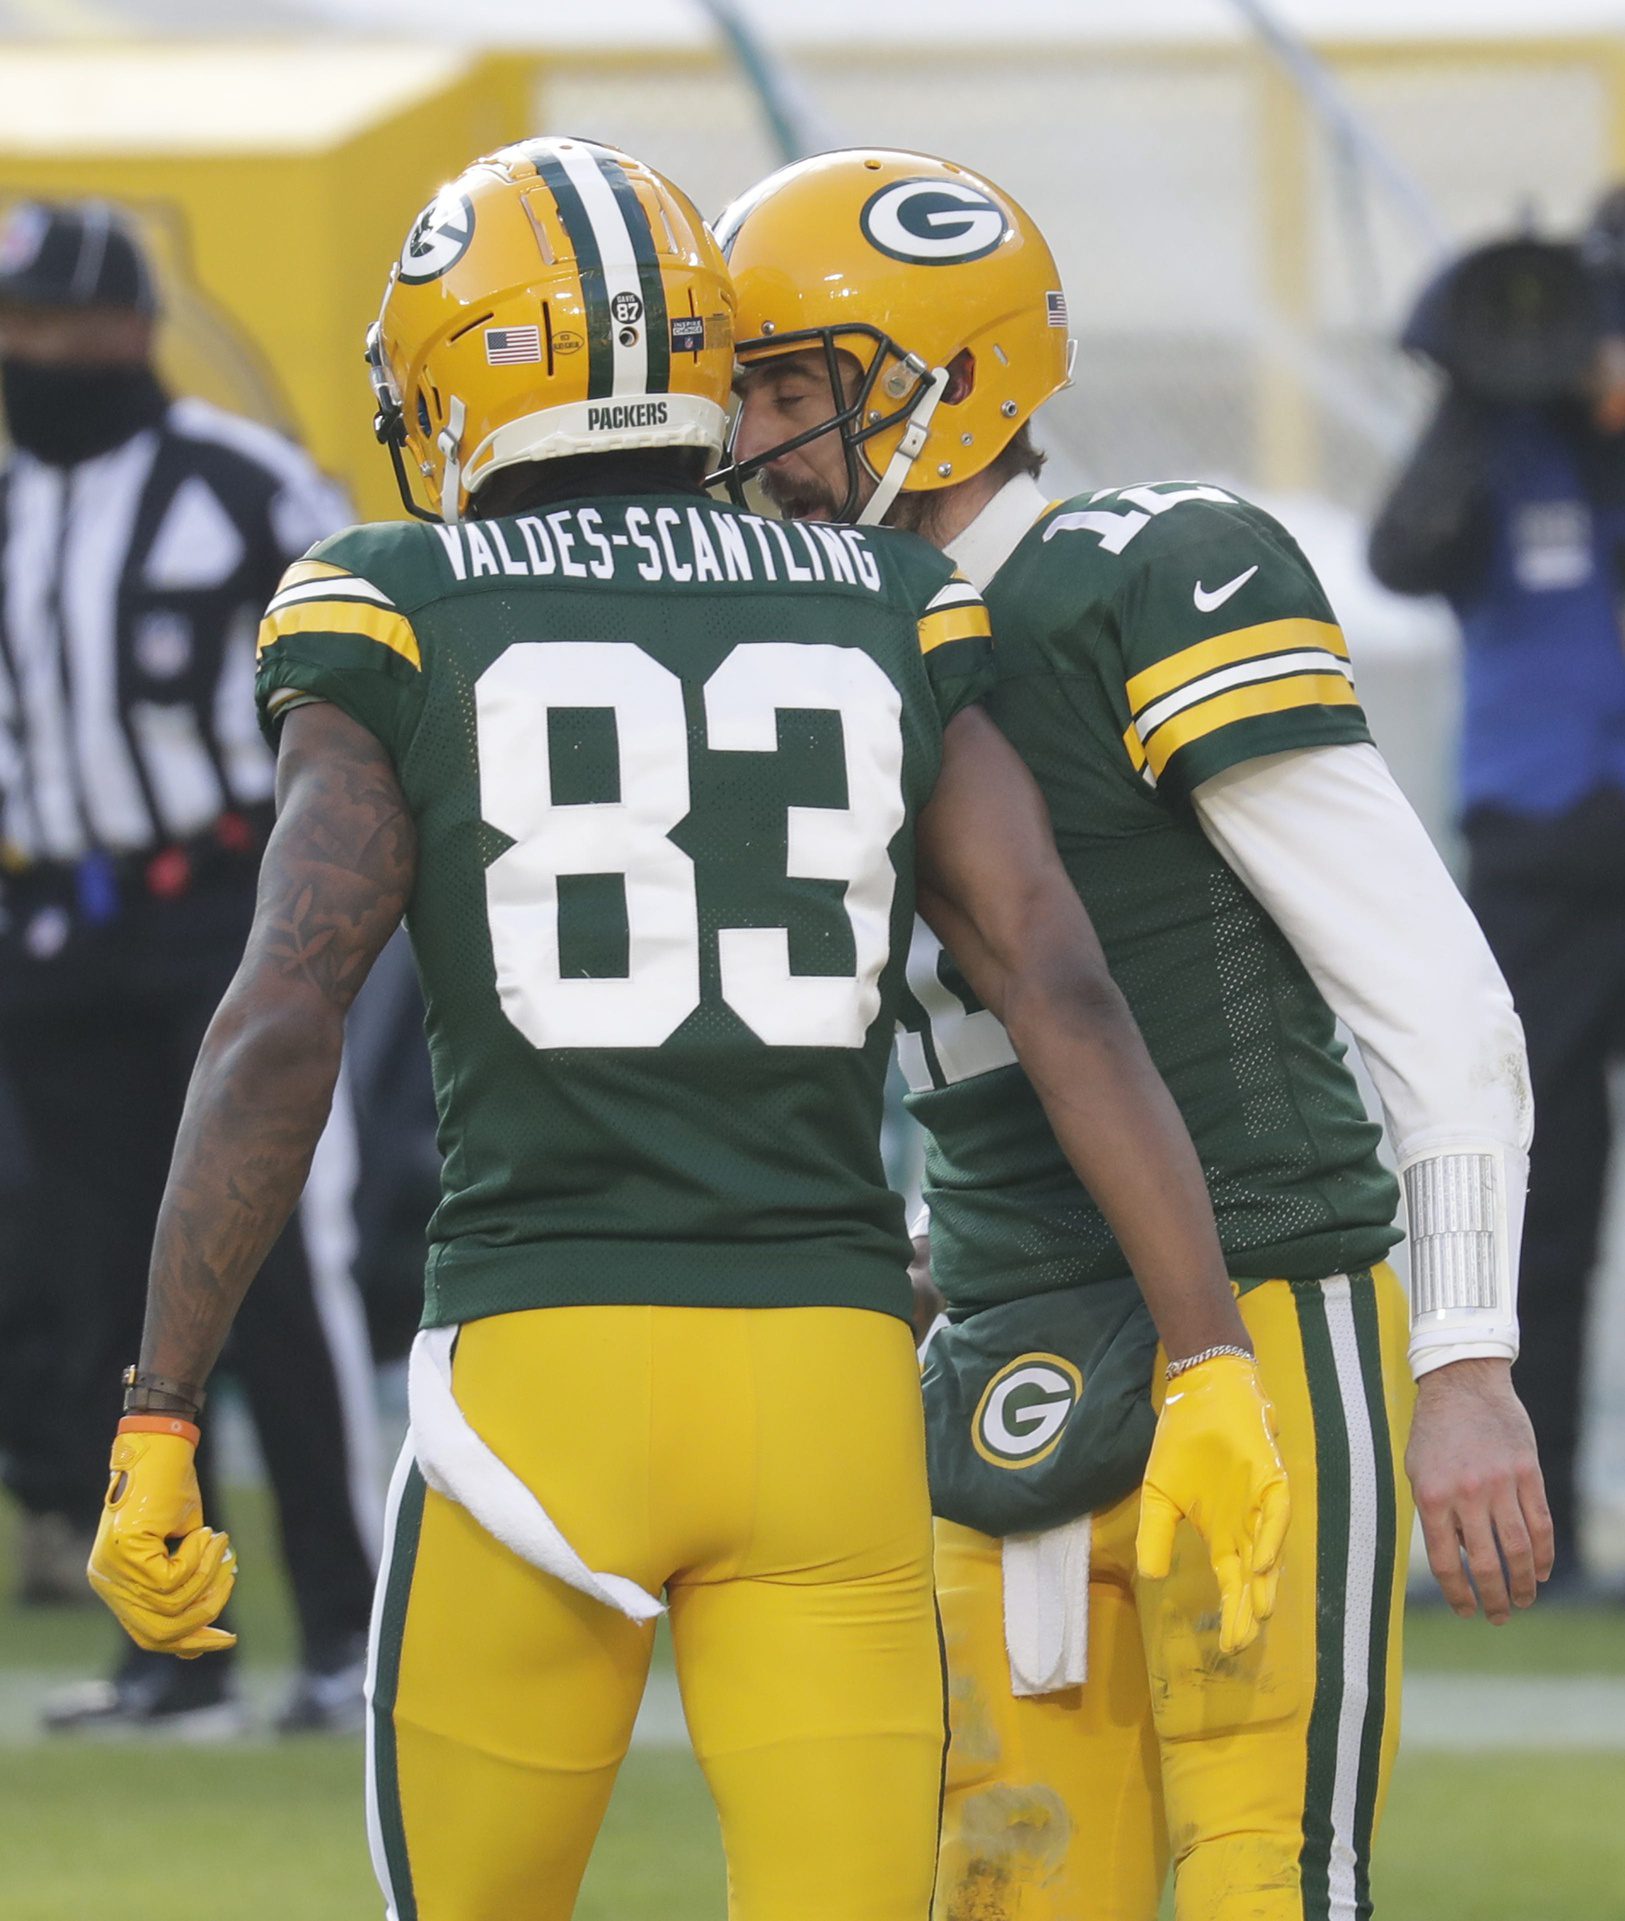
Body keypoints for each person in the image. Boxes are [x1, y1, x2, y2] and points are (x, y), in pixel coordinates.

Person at [83, 139, 1286, 1921]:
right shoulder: (888, 600)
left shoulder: (399, 598)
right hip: (825, 1382)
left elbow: (282, 1015)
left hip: (540, 1369)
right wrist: (1207, 1352)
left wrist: (163, 1403)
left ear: (463, 369)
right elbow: (1055, 978)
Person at [720, 148, 1552, 1920]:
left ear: (945, 386)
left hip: (1261, 1296)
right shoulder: (826, 647)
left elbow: (1430, 990)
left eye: (794, 390)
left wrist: (1464, 1360)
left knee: (1268, 1880)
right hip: (1006, 1328)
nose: (758, 443)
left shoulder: (1146, 573)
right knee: (1002, 1891)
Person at [0, 198, 379, 1732]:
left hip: (228, 903)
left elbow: (355, 679)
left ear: (129, 332)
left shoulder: (246, 484)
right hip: (45, 921)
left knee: (282, 1270)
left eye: (63, 329)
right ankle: (169, 1643)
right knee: (102, 1287)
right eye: (16, 331)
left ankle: (347, 1631)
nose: (39, 357)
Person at [1370, 196, 1625, 1593]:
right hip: (1540, 841)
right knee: (1548, 1191)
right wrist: (1486, 391)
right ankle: (1533, 1544)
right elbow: (1402, 552)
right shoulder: (1498, 439)